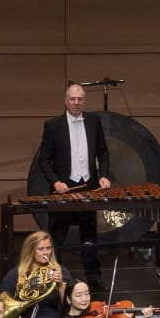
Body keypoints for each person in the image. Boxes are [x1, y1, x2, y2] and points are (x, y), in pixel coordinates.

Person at [34, 80, 114, 285]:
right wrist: (56, 182)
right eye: (72, 99)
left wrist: (104, 175)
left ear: (84, 101)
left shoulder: (93, 121)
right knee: (57, 238)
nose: (76, 102)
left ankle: (93, 277)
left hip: (89, 186)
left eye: (80, 99)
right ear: (65, 101)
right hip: (63, 188)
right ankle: (53, 278)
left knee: (89, 235)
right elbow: (44, 160)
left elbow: (103, 152)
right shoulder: (53, 126)